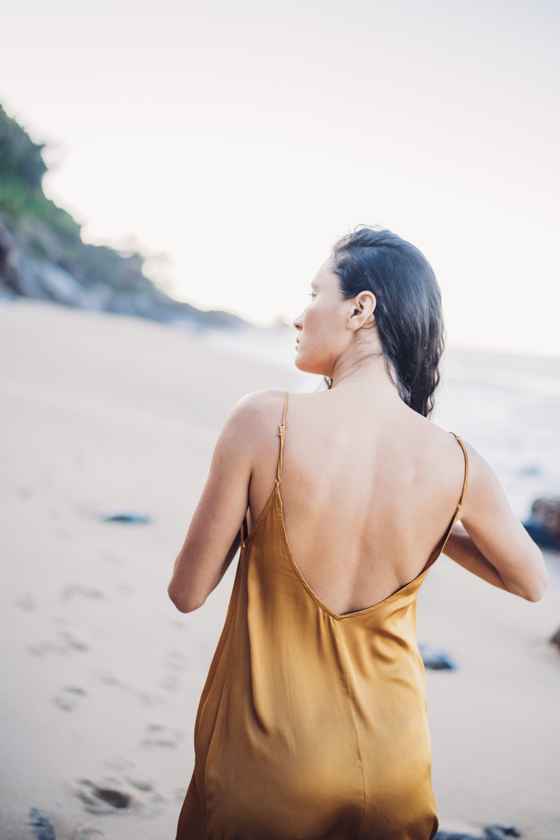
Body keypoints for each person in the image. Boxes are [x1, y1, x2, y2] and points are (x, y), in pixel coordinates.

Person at [168, 227, 548, 840]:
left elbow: (186, 592)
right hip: (397, 767)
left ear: (359, 308)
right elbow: (531, 583)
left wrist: (254, 516)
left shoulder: (265, 420)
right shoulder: (457, 461)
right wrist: (435, 527)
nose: (299, 315)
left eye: (314, 292)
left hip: (271, 763)